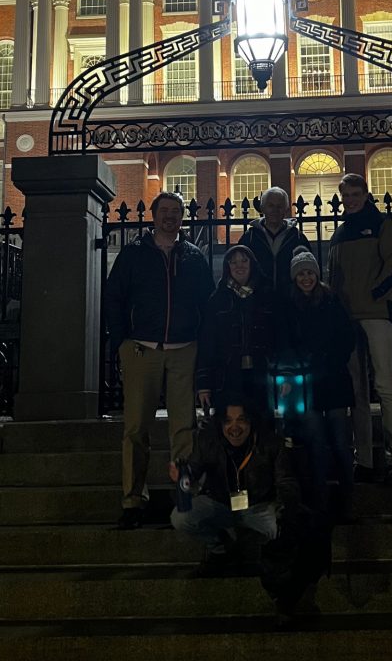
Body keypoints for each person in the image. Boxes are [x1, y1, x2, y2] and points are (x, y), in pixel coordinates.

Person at [106, 191, 215, 529]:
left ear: (182, 216)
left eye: (176, 211)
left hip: (184, 348)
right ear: (154, 215)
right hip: (142, 348)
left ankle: (184, 498)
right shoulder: (134, 253)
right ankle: (132, 500)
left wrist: (202, 343)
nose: (170, 216)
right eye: (165, 210)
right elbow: (114, 296)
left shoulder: (194, 256)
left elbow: (207, 304)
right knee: (136, 428)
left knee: (184, 428)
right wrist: (122, 342)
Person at [328, 173, 392, 485]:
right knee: (357, 393)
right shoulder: (339, 233)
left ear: (365, 194)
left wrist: (376, 294)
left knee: (385, 387)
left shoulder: (382, 225)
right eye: (346, 195)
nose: (350, 200)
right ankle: (365, 461)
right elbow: (334, 277)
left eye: (355, 194)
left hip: (375, 315)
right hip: (348, 320)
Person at [170, 399, 300, 571]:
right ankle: (220, 548)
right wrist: (182, 473)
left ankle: (272, 557)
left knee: (287, 526)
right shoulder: (209, 441)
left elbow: (286, 481)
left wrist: (284, 511)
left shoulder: (271, 442)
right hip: (220, 503)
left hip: (259, 506)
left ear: (251, 421)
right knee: (180, 517)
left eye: (241, 420)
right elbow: (194, 467)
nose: (234, 427)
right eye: (228, 421)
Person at [282, 247, 356, 519]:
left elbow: (346, 337)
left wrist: (328, 359)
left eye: (309, 273)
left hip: (332, 380)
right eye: (301, 274)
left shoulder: (332, 301)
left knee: (340, 443)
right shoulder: (289, 306)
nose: (306, 278)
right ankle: (321, 501)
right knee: (316, 442)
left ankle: (348, 499)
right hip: (309, 383)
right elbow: (286, 343)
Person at [196, 246, 276, 416]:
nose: (239, 266)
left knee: (261, 421)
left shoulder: (268, 295)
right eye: (233, 262)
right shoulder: (217, 299)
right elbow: (207, 343)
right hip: (227, 375)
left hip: (262, 374)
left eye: (244, 261)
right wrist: (204, 384)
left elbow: (279, 336)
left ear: (252, 263)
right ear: (227, 266)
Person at [241, 186, 311, 297]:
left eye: (280, 206)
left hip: (290, 300)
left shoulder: (297, 237)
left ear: (286, 209)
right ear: (262, 208)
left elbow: (309, 269)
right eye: (271, 206)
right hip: (258, 300)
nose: (275, 210)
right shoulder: (250, 237)